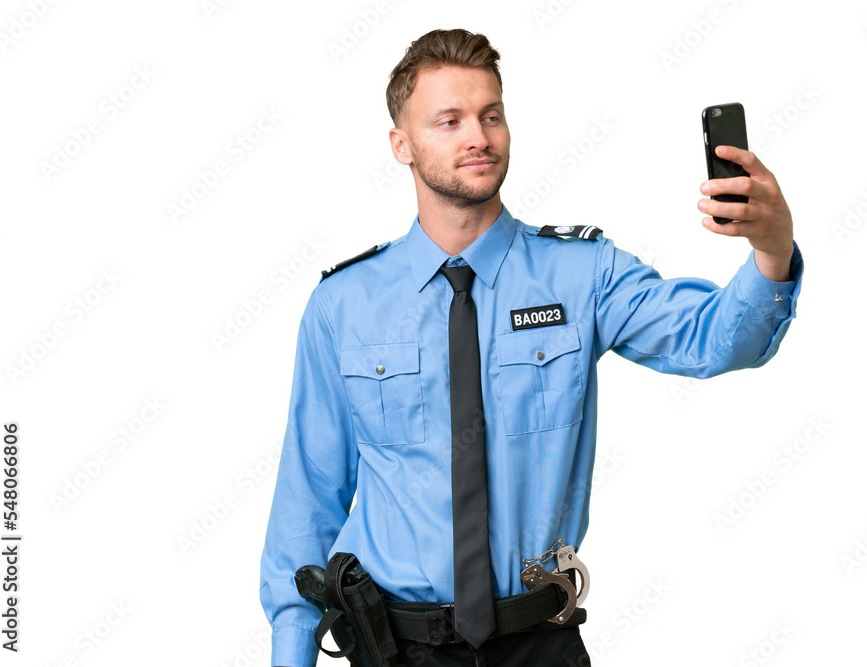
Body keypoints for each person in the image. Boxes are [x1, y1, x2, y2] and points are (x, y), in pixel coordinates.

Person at [260, 27, 803, 667]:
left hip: (539, 645)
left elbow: (715, 340)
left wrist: (772, 248)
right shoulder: (344, 304)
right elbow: (308, 500)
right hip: (396, 648)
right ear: (401, 145)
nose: (478, 137)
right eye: (450, 121)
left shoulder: (582, 274)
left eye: (491, 116)